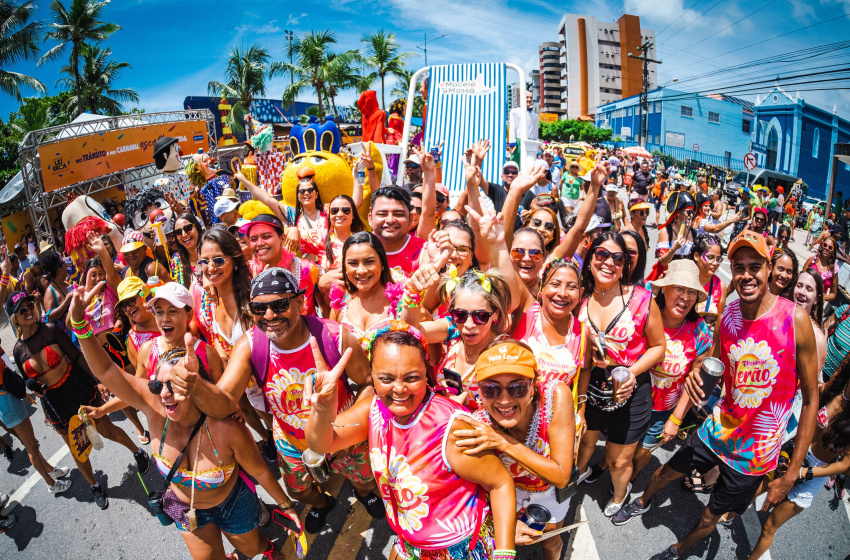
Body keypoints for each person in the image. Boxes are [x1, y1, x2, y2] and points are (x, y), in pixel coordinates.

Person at [614, 230, 818, 560]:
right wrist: (695, 379)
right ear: (732, 271)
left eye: (755, 266)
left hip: (756, 454)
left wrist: (792, 471)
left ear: (768, 267)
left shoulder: (795, 320)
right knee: (665, 473)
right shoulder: (730, 315)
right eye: (739, 267)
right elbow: (712, 365)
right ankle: (641, 501)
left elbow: (810, 398)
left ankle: (677, 550)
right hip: (719, 427)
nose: (747, 275)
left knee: (710, 515)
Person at [66, 278, 300, 560]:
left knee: (255, 549)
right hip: (183, 506)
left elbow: (260, 468)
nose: (164, 395)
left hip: (231, 502)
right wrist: (79, 324)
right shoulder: (154, 405)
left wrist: (286, 507)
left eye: (175, 386)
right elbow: (106, 370)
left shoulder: (225, 427)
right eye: (156, 386)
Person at [167, 268, 382, 533]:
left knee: (366, 479)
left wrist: (349, 425)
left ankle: (363, 494)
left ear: (300, 302)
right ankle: (322, 504)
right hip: (291, 440)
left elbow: (367, 384)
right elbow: (223, 404)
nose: (269, 315)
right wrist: (196, 385)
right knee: (299, 492)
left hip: (340, 434)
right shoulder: (249, 346)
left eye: (280, 305)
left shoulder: (336, 337)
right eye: (259, 308)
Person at [304, 324, 520, 560]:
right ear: (372, 376)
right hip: (411, 543)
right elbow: (321, 443)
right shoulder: (373, 410)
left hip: (461, 549)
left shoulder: (450, 429)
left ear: (426, 372)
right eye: (386, 378)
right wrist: (323, 409)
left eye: (412, 377)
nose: (399, 389)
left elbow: (500, 484)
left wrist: (505, 554)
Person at [7, 290, 148, 509]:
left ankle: (137, 452)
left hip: (76, 387)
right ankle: (94, 486)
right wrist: (35, 390)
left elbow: (77, 356)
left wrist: (98, 380)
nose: (28, 311)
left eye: (30, 306)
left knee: (106, 430)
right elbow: (28, 379)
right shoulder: (18, 350)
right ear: (14, 317)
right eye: (21, 310)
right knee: (77, 447)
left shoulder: (51, 330)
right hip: (55, 401)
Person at [458, 340, 577, 560]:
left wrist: (501, 441)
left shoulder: (555, 396)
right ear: (479, 391)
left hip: (548, 492)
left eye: (517, 387)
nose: (504, 399)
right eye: (491, 388)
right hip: (508, 493)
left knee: (550, 541)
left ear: (533, 385)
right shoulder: (478, 424)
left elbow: (561, 476)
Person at [575, 232, 666, 516]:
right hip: (591, 388)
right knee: (585, 441)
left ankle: (619, 493)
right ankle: (578, 472)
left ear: (626, 265)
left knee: (617, 461)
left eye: (618, 258)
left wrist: (632, 371)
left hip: (631, 392)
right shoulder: (579, 296)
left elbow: (659, 346)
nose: (609, 263)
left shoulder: (642, 299)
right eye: (602, 254)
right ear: (590, 258)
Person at [610, 260, 711, 499]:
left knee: (642, 453)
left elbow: (695, 382)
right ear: (664, 288)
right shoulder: (643, 315)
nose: (685, 298)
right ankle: (614, 475)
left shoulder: (700, 331)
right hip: (631, 402)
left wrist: (676, 419)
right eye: (679, 288)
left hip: (663, 410)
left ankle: (630, 479)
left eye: (691, 291)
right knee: (619, 454)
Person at [744, 359, 850, 559]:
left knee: (769, 525)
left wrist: (805, 472)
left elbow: (845, 466)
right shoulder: (836, 387)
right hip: (795, 452)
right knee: (752, 489)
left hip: (814, 474)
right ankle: (720, 516)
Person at [0, 346, 73, 494]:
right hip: (5, 396)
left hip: (5, 396)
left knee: (30, 443)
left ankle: (50, 470)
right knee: (31, 445)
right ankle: (51, 483)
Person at [329, 231, 396, 350]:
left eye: (369, 262)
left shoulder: (400, 302)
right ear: (345, 267)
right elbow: (331, 350)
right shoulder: (340, 304)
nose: (361, 271)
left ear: (382, 263)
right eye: (353, 263)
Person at [242, 214, 319, 316]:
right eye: (253, 239)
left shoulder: (307, 269)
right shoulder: (246, 273)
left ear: (282, 239)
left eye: (266, 236)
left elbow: (326, 305)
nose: (259, 243)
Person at [321, 194, 366, 270]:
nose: (340, 214)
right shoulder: (320, 241)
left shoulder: (364, 242)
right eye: (334, 211)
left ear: (353, 215)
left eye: (346, 210)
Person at [692, 234, 726, 333]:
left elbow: (718, 323)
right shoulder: (683, 278)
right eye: (710, 257)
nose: (715, 263)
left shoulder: (720, 286)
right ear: (696, 256)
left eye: (718, 259)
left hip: (703, 343)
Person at [803, 236, 839, 303]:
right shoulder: (811, 260)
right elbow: (801, 277)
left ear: (833, 252)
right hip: (803, 297)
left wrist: (826, 297)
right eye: (825, 245)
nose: (826, 248)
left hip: (817, 304)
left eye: (830, 247)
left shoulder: (833, 271)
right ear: (822, 245)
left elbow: (833, 294)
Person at [173, 213, 206, 280]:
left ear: (197, 227)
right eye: (178, 232)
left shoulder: (212, 251)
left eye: (187, 228)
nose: (184, 234)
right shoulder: (177, 261)